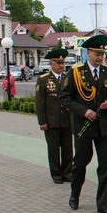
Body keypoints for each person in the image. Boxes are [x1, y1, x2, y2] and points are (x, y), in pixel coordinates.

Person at [59, 34, 107, 213]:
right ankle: (75, 195)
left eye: (102, 54)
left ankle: (103, 203)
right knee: (80, 163)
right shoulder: (76, 72)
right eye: (97, 54)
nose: (100, 58)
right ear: (88, 53)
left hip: (104, 126)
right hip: (84, 126)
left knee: (105, 165)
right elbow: (65, 97)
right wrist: (83, 111)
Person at [35, 48, 72, 184]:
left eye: (62, 63)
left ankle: (67, 172)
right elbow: (40, 102)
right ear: (51, 64)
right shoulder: (44, 79)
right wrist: (42, 122)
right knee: (54, 149)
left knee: (68, 148)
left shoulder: (68, 78)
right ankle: (56, 174)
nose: (61, 66)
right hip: (52, 121)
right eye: (58, 63)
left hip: (67, 120)